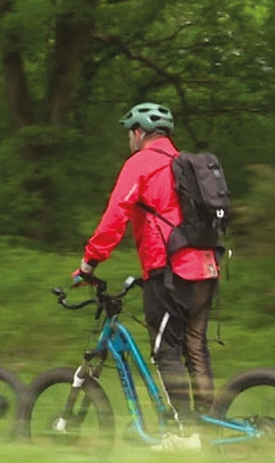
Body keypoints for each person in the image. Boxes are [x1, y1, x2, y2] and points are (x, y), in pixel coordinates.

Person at [72, 103, 219, 451]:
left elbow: (114, 217)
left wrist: (89, 263)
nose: (129, 139)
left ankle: (184, 435)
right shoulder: (185, 163)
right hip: (207, 266)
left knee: (165, 350)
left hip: (170, 271)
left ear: (138, 133)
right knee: (196, 348)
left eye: (130, 133)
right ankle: (207, 427)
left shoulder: (141, 163)